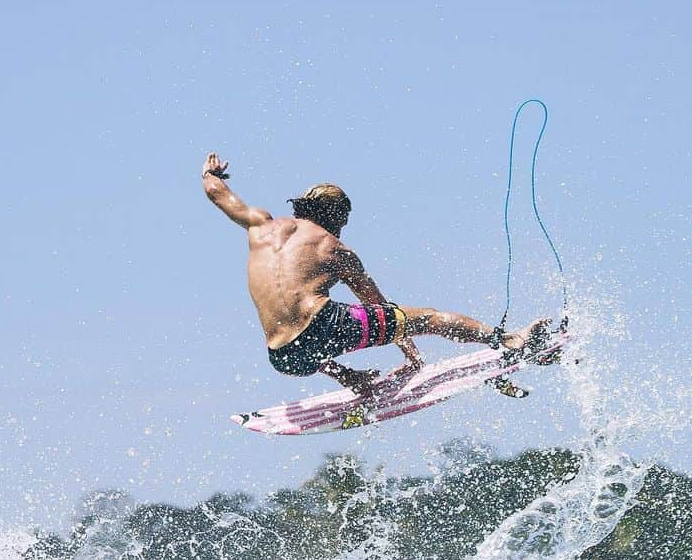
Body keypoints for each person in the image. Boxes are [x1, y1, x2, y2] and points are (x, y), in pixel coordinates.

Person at [201, 153, 547, 395]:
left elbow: (217, 193)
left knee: (306, 330)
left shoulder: (260, 225)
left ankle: (348, 377)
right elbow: (379, 307)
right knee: (426, 318)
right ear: (337, 216)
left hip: (283, 357)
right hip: (323, 328)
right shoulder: (333, 249)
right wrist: (411, 355)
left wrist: (211, 173)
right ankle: (507, 340)